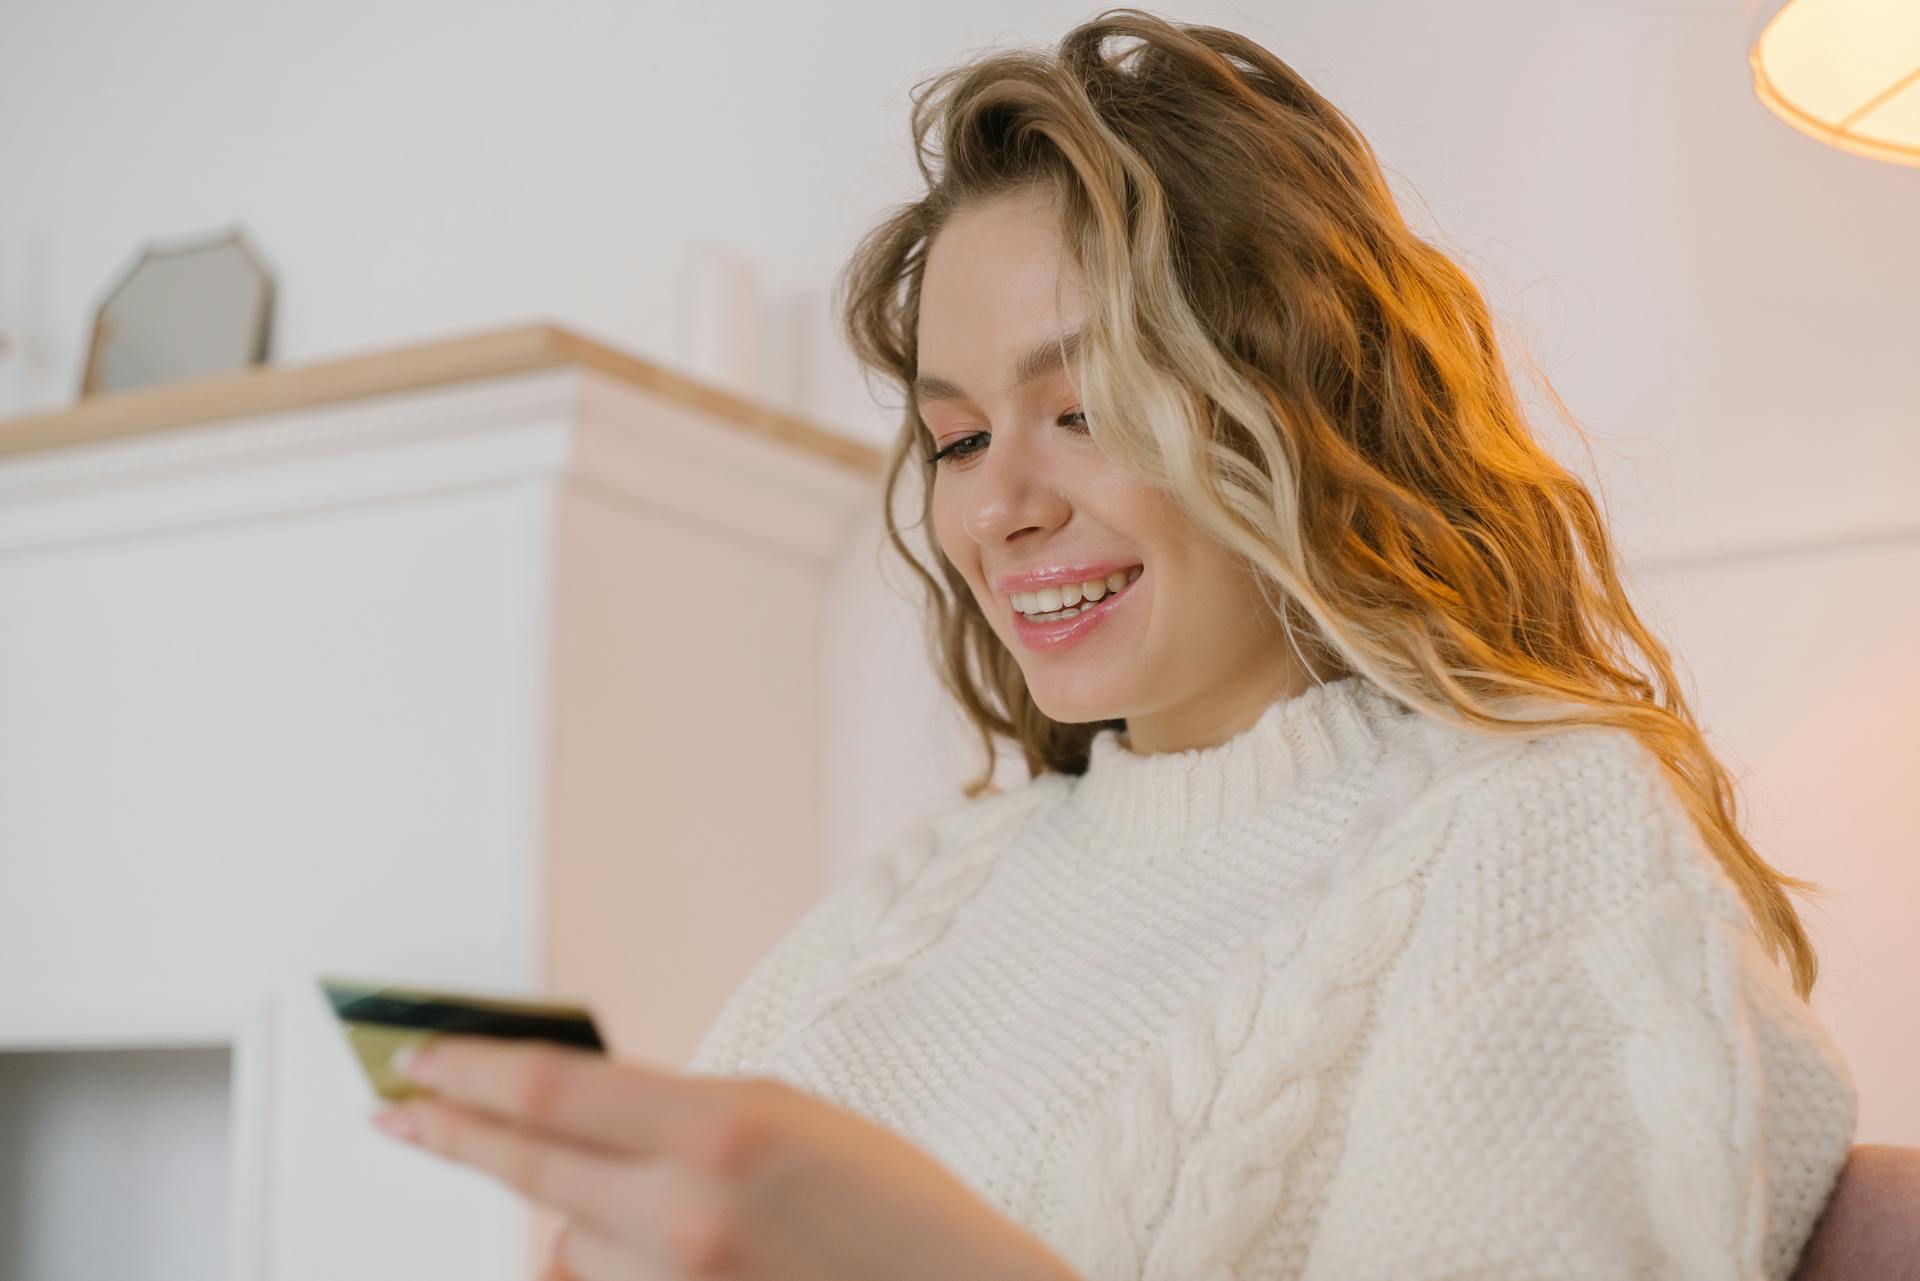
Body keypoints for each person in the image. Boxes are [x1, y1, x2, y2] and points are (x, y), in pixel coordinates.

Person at [371, 10, 1856, 1279]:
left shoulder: (1537, 837)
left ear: (1302, 404)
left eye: (1082, 410)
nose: (998, 506)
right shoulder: (933, 890)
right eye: (955, 436)